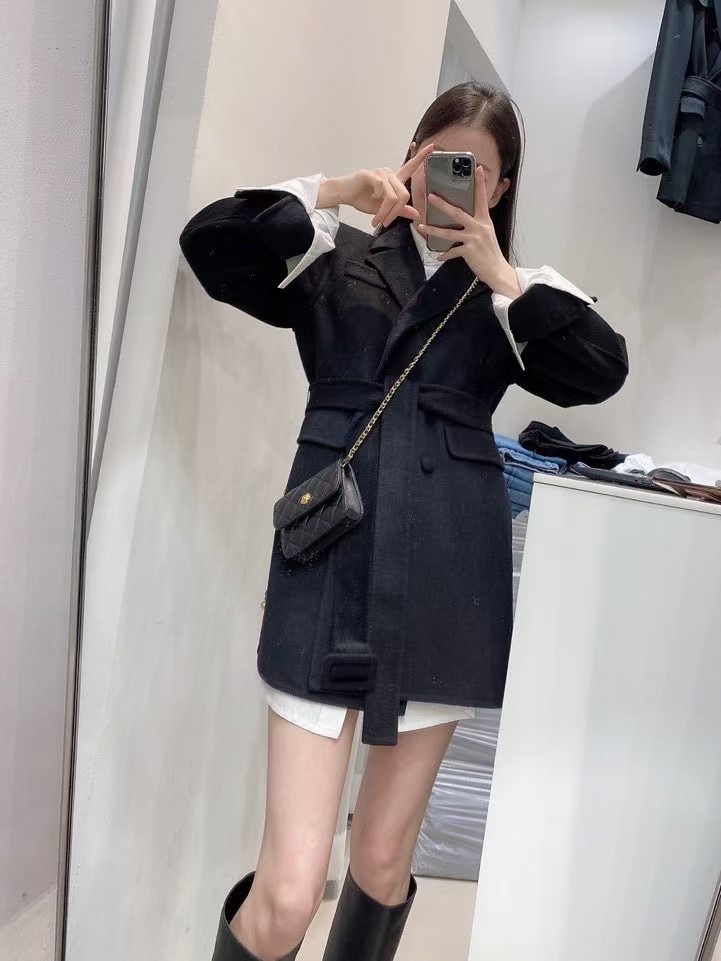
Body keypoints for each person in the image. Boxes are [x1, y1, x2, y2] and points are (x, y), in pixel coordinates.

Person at [179, 81, 629, 961]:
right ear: (412, 153)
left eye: (477, 170)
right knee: (289, 891)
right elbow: (212, 243)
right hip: (327, 559)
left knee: (382, 861)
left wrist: (501, 278)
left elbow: (599, 370)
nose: (454, 178)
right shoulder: (333, 252)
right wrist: (339, 188)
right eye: (439, 157)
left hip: (447, 576)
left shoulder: (514, 292)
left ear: (500, 188)